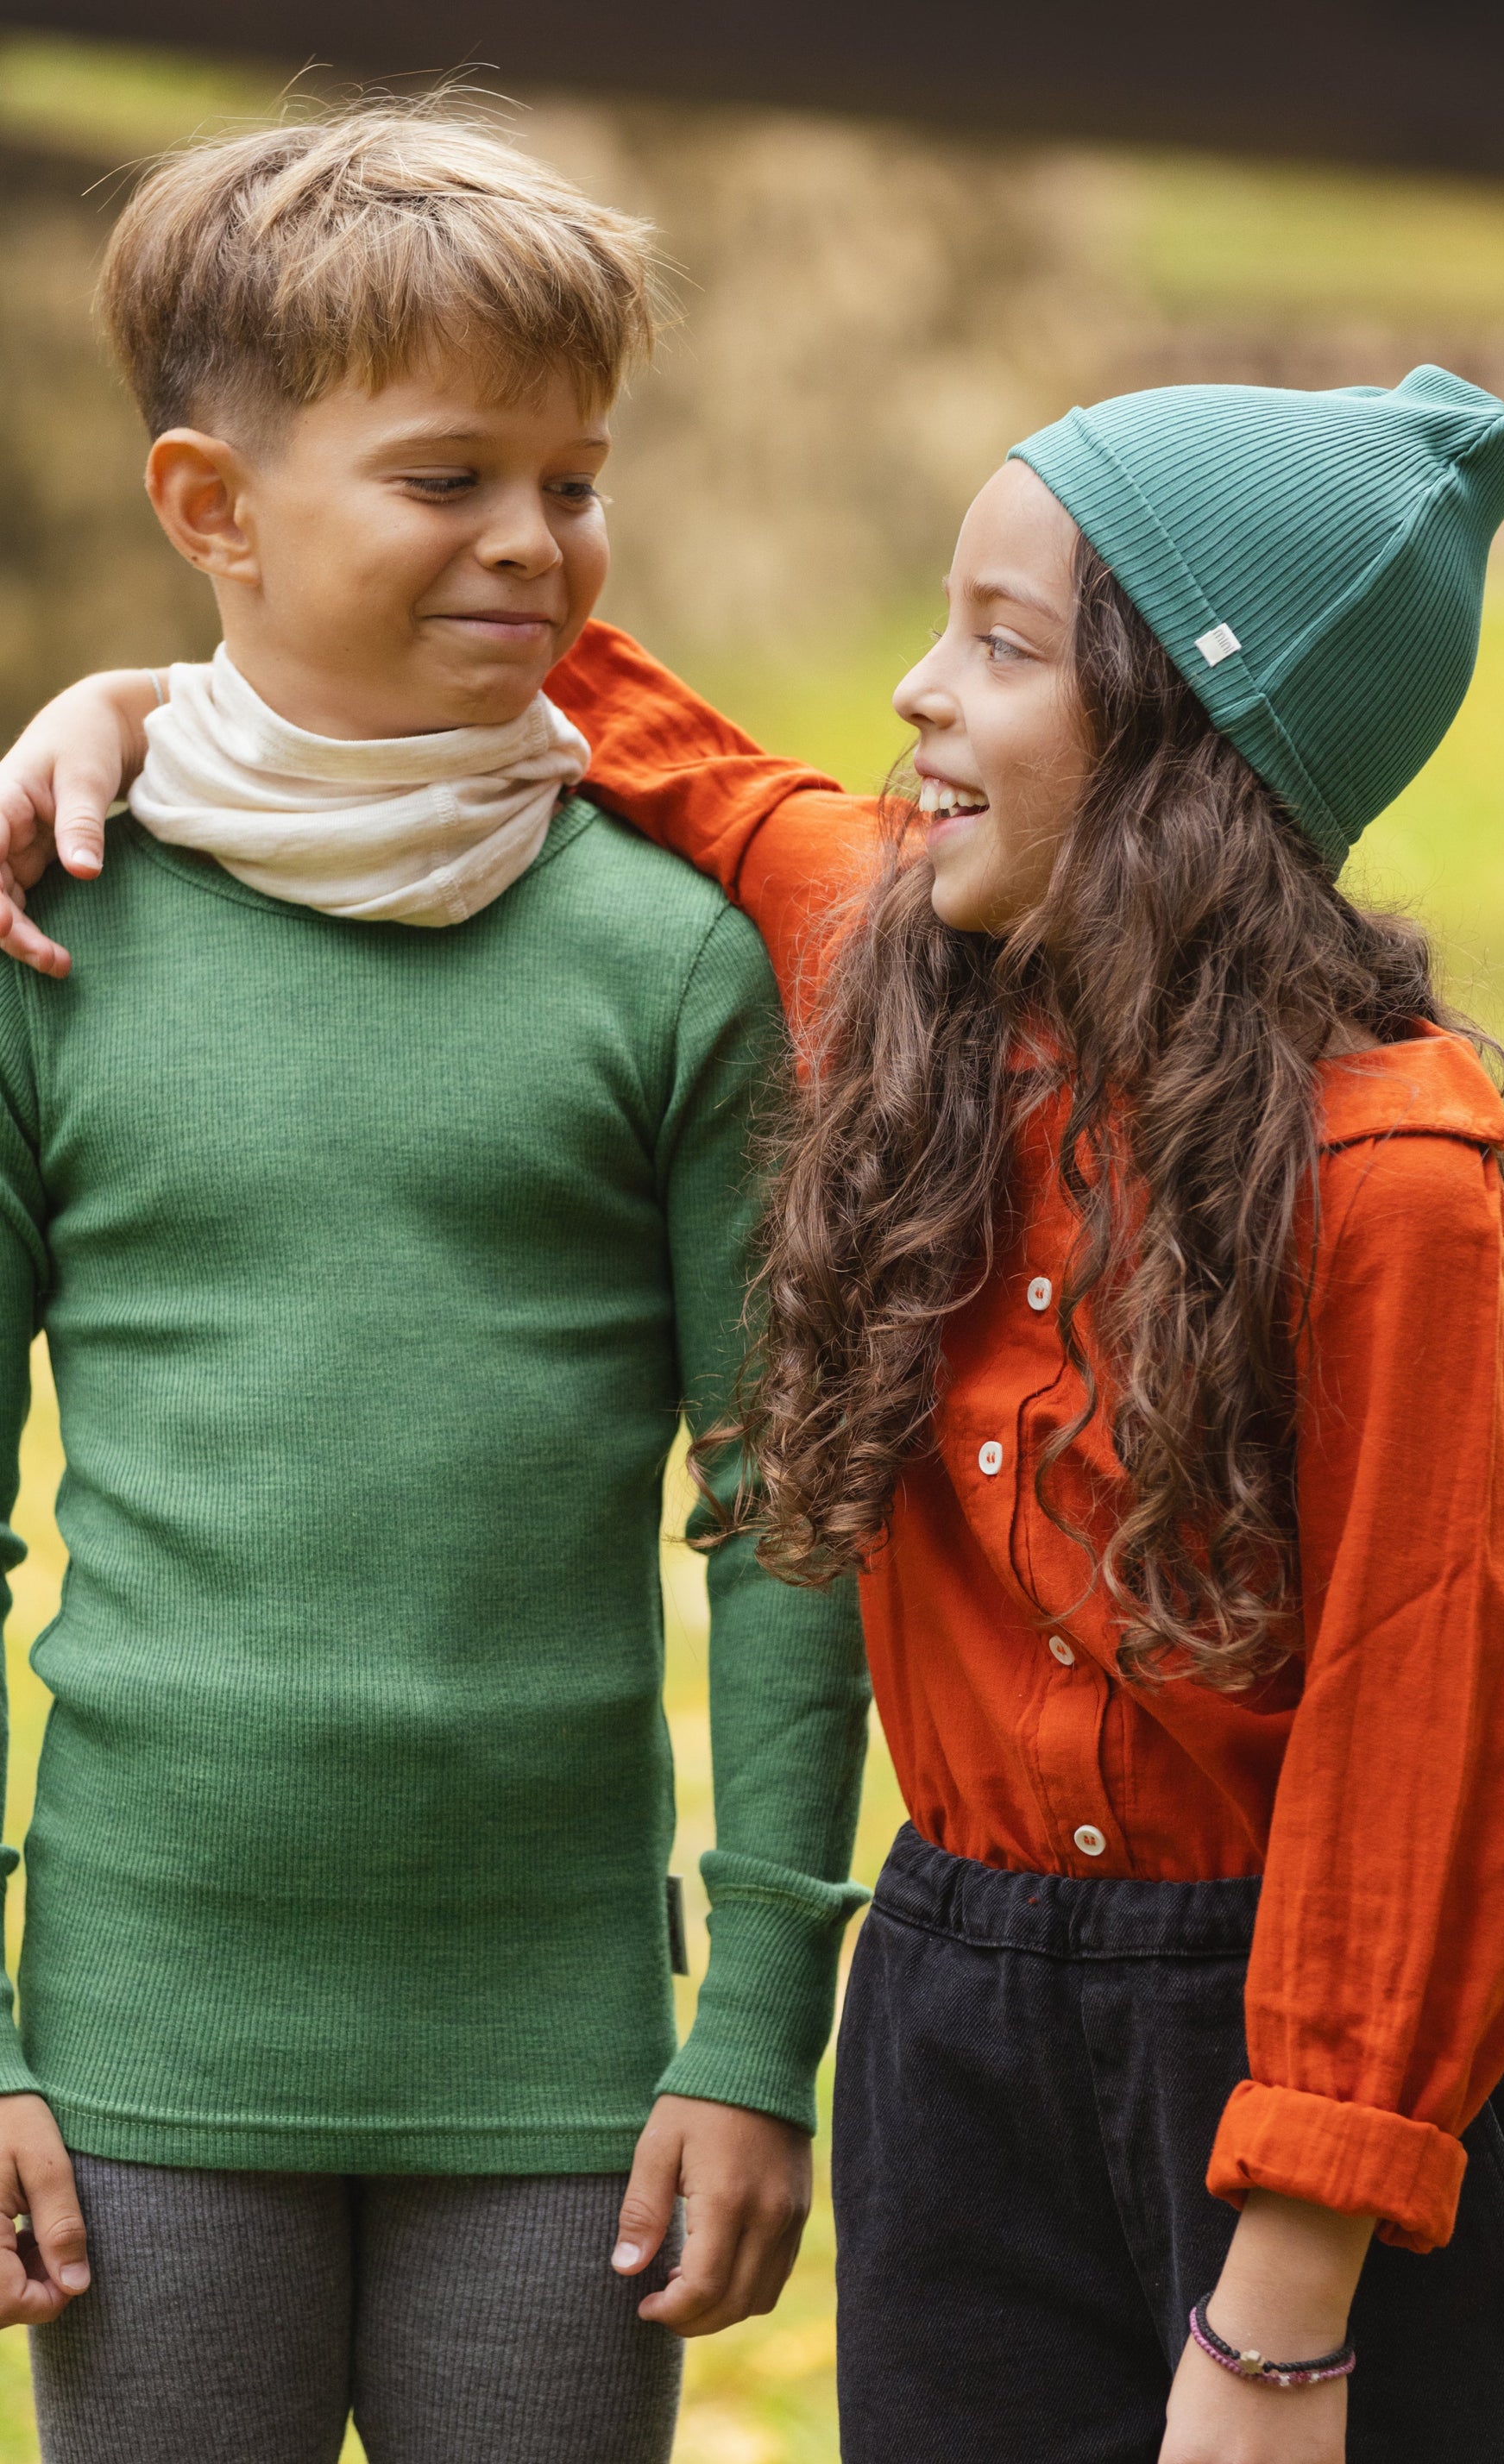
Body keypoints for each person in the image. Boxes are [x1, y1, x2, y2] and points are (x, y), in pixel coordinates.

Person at [3, 376, 1504, 2461]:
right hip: (953, 2019)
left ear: (1195, 750)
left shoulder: (1391, 1182)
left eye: (1003, 647)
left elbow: (1435, 1751)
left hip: (1311, 2055)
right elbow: (515, 666)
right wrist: (162, 702)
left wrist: (1285, 2311)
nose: (912, 690)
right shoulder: (882, 941)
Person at [0, 106, 871, 2464]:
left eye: (576, 480)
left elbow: (784, 1504)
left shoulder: (676, 963)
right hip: (136, 2052)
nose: (538, 543)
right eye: (448, 476)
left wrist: (754, 2023)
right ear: (210, 509)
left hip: (565, 2074)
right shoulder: (48, 941)